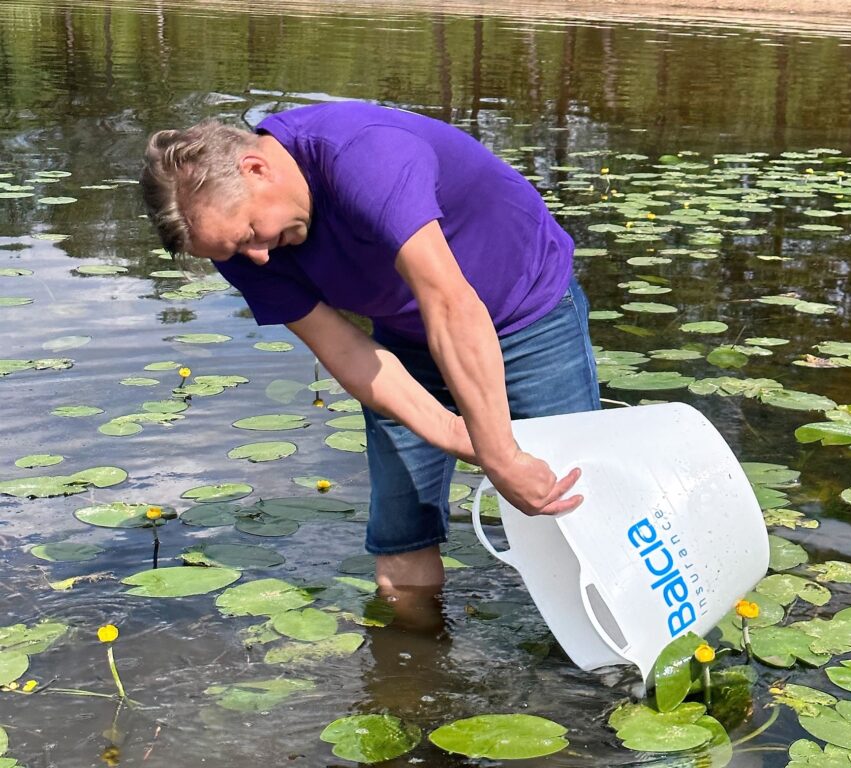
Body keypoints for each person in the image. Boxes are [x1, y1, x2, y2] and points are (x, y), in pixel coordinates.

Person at [140, 100, 600, 596]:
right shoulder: (240, 248)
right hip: (405, 340)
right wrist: (457, 434)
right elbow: (345, 352)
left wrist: (502, 455)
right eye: (233, 251)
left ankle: (612, 661)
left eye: (252, 233)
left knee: (573, 506)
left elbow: (449, 303)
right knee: (399, 541)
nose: (258, 256)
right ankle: (413, 664)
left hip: (527, 311)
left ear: (256, 168)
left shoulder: (363, 154)